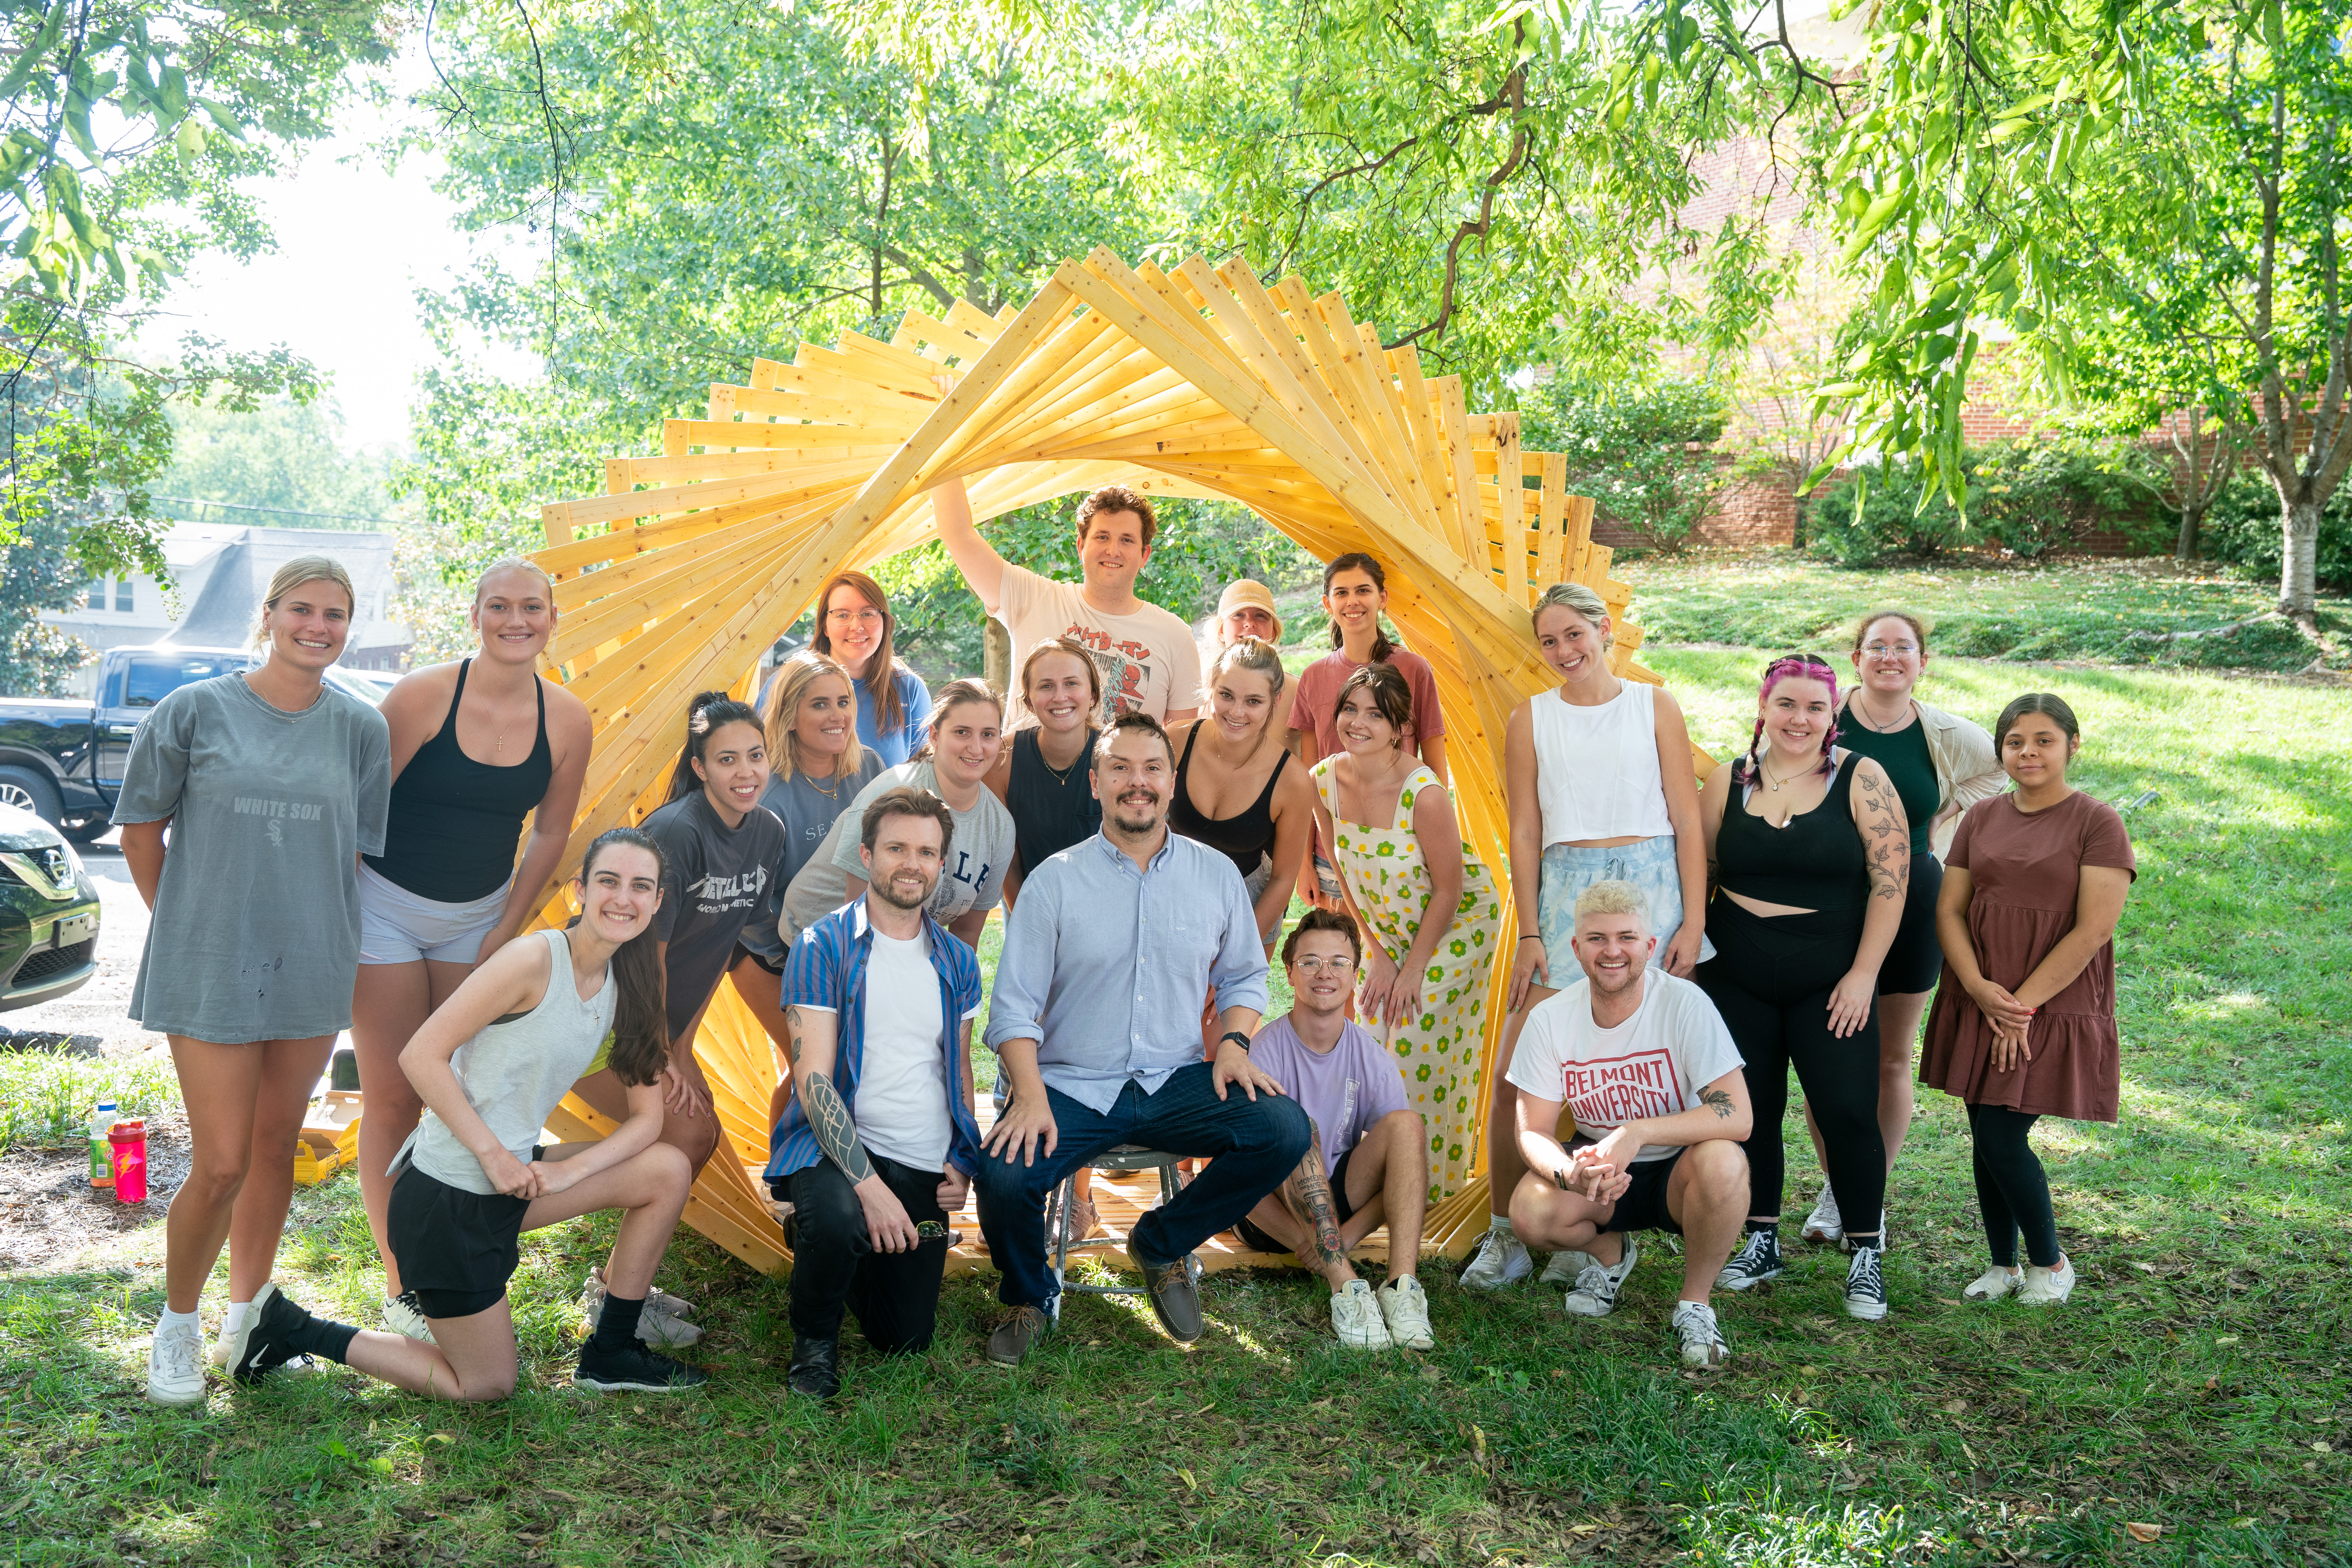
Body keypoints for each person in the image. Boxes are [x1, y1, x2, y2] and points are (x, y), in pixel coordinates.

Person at [218, 829, 706, 1397]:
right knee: (484, 1386)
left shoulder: (634, 983)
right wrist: (494, 1156)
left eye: (641, 887)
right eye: (609, 882)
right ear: (580, 890)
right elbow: (420, 1054)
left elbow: (648, 1120)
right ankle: (287, 1326)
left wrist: (571, 1172)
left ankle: (612, 1350)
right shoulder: (531, 959)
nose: (624, 898)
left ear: (658, 902)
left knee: (666, 1167)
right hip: (447, 1201)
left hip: (513, 1184)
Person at [119, 556, 392, 1406]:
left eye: (336, 614)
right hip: (208, 965)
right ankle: (177, 1324)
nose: (319, 626)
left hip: (312, 963)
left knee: (278, 1145)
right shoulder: (194, 709)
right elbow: (140, 833)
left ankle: (250, 1317)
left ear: (350, 626)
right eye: (303, 609)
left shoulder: (361, 728)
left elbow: (350, 855)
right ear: (270, 614)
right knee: (223, 1160)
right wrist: (192, 926)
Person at [976, 713, 1311, 1364]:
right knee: (1001, 1174)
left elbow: (1245, 975)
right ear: (1096, 784)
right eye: (1122, 769)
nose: (1139, 783)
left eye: (1153, 769)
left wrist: (1236, 1044)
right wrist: (1030, 1095)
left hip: (1175, 1079)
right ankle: (1028, 1294)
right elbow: (1012, 1010)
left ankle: (1159, 1242)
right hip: (1074, 1083)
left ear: (1172, 782)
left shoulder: (1214, 875)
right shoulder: (1054, 882)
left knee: (1283, 1128)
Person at [350, 558, 595, 1345]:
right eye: (500, 605)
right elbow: (358, 812)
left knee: (459, 1097)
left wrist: (505, 927)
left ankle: (449, 1271)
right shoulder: (423, 695)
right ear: (475, 613)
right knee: (392, 1094)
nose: (515, 619)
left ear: (552, 619)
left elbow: (552, 832)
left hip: (480, 918)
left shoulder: (567, 718)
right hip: (383, 908)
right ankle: (401, 1286)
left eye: (532, 606)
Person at [1467, 580, 1712, 1292]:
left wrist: (1693, 921)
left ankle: (1641, 1221)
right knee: (1520, 1070)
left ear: (1604, 630)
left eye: (1575, 634)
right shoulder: (1531, 718)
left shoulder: (1653, 705)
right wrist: (1535, 930)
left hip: (1652, 886)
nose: (1564, 650)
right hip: (1566, 887)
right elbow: (1525, 830)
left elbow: (1688, 819)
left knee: (1662, 1063)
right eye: (1549, 640)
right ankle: (1507, 1230)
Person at [1695, 655, 1909, 1321]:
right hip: (1736, 970)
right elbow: (1699, 869)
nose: (1800, 719)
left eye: (1815, 708)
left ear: (1832, 716)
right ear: (1765, 707)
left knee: (1846, 1109)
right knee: (1750, 1109)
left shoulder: (1861, 777)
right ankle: (1760, 1239)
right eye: (1787, 705)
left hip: (1831, 975)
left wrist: (1863, 975)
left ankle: (1866, 1251)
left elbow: (1890, 882)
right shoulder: (1727, 780)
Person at [1796, 611, 2007, 1249]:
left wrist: (1945, 816)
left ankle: (1868, 1197)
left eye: (1904, 648)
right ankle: (1839, 1187)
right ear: (1856, 659)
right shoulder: (1819, 717)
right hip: (1831, 903)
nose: (1890, 657)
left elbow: (2001, 768)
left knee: (1890, 1058)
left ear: (1923, 662)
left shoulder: (1939, 731)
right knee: (1826, 1059)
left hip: (1915, 901)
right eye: (1877, 647)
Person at [764, 791, 985, 1398]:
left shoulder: (959, 962)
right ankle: (814, 1344)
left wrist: (961, 1160)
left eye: (926, 851)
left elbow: (960, 1070)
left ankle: (838, 1243)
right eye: (896, 849)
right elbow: (813, 1079)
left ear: (941, 864)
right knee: (839, 1221)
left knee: (904, 1338)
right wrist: (869, 1190)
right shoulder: (823, 946)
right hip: (839, 1150)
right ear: (867, 856)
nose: (911, 864)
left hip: (919, 1155)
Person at [1921, 693, 2134, 1307]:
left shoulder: (2097, 822)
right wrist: (1981, 990)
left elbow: (2094, 930)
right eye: (2016, 742)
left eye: (2044, 740)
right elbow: (1950, 909)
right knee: (1982, 1129)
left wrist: (2019, 1007)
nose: (2029, 753)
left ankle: (2050, 1262)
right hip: (1979, 989)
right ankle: (2003, 1266)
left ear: (2072, 745)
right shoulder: (1983, 817)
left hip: (2051, 1001)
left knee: (2001, 1137)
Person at [1503, 881, 1754, 1368]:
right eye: (1597, 939)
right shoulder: (1550, 1018)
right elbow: (1531, 1131)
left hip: (1679, 1171)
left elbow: (1736, 1114)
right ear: (1576, 948)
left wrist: (1637, 1131)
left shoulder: (1685, 1004)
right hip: (1598, 1168)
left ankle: (1695, 1305)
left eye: (1627, 937)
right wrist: (1569, 1172)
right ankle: (1609, 1256)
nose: (1613, 951)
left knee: (1726, 1160)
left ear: (1650, 946)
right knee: (1528, 1212)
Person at [1306, 663, 1503, 1202]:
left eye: (1376, 714)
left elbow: (1449, 890)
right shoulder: (1322, 781)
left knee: (1415, 1039)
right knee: (1369, 1040)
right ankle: (1368, 1178)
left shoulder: (1426, 792)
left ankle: (1427, 1187)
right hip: (1387, 934)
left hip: (1457, 925)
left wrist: (1413, 967)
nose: (1359, 723)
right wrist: (1379, 955)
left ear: (1399, 728)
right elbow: (1343, 873)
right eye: (1350, 710)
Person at [577, 693, 784, 1189]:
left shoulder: (768, 833)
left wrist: (683, 1042)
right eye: (727, 759)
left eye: (755, 756)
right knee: (687, 1138)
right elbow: (648, 955)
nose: (745, 772)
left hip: (658, 1025)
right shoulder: (676, 832)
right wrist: (661, 1051)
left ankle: (622, 1268)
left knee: (703, 1132)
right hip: (600, 1014)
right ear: (701, 767)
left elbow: (725, 946)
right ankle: (534, 1175)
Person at [1232, 909, 1435, 1351]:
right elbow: (1231, 1174)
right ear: (1289, 973)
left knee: (1407, 1127)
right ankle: (1344, 1286)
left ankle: (1403, 1289)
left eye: (1338, 962)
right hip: (1272, 1215)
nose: (1324, 973)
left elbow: (1403, 1177)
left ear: (1355, 975)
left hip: (1337, 1212)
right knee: (1295, 1124)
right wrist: (1312, 1246)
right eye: (1310, 961)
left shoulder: (1372, 1055)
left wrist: (1345, 1236)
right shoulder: (1263, 1052)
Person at [733, 652, 886, 1121]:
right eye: (820, 705)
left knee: (846, 1064)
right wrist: (795, 957)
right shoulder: (767, 791)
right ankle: (783, 1180)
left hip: (842, 949)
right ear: (790, 717)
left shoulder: (870, 768)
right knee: (812, 1068)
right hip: (767, 950)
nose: (838, 715)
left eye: (843, 701)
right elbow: (748, 900)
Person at [930, 473, 1201, 726]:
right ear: (1081, 546)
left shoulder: (1175, 638)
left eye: (1127, 540)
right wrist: (943, 439)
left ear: (1145, 555)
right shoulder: (1032, 598)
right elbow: (958, 535)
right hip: (1023, 775)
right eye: (1102, 536)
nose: (1113, 550)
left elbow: (1179, 744)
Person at [778, 679, 1011, 950]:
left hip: (901, 942)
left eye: (988, 735)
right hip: (820, 939)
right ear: (934, 735)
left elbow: (966, 935)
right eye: (962, 732)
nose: (976, 747)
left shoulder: (1001, 826)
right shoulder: (895, 793)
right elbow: (858, 923)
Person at [1288, 553, 1447, 909]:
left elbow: (1435, 771)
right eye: (1341, 593)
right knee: (1341, 961)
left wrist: (1434, 847)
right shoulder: (1313, 677)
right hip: (1333, 856)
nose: (1353, 601)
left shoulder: (1414, 669)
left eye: (1363, 590)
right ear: (1328, 604)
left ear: (1383, 598)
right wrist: (1304, 866)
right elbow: (1307, 781)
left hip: (1401, 848)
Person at [1168, 638, 1316, 949]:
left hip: (1249, 911)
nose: (1236, 712)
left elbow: (1282, 880)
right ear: (1212, 688)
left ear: (1275, 702)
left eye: (1253, 701)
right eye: (1226, 695)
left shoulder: (1292, 781)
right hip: (1172, 899)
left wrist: (1236, 952)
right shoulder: (1176, 742)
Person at [985, 636, 1102, 908]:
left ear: (1093, 695)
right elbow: (1008, 862)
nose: (1060, 697)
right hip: (1033, 907)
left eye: (1072, 683)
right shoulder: (1003, 761)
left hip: (1109, 911)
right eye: (1046, 686)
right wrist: (1029, 922)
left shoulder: (1116, 756)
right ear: (1028, 701)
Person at [808, 569, 933, 766]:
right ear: (825, 626)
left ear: (885, 622)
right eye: (842, 615)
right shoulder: (790, 685)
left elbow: (926, 777)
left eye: (868, 614)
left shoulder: (910, 690)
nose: (857, 626)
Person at [1207, 576, 1294, 734]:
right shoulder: (1199, 687)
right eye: (1239, 615)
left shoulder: (1299, 691)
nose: (1250, 623)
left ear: (1273, 632)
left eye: (1260, 615)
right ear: (1221, 631)